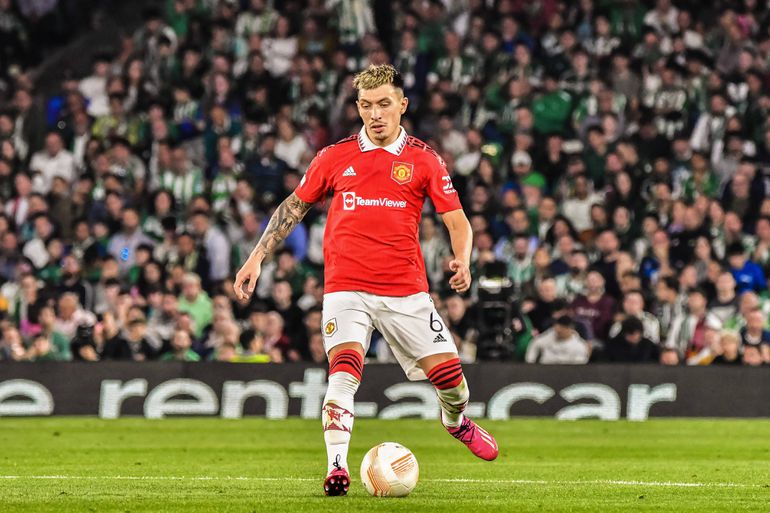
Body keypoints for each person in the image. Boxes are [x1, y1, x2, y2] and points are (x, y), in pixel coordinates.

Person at [233, 64, 498, 496]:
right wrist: (256, 257)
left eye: (384, 104)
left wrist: (463, 260)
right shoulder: (334, 157)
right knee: (344, 371)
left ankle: (455, 421)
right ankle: (337, 467)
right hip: (346, 287)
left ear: (402, 105)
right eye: (366, 105)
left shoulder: (424, 159)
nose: (375, 114)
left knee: (453, 382)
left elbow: (457, 220)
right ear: (358, 107)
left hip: (406, 290)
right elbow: (293, 207)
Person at [524, 314, 590, 364]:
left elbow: (580, 365)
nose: (557, 333)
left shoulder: (579, 346)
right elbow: (535, 343)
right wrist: (530, 362)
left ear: (570, 329)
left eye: (560, 331)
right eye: (556, 330)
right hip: (545, 369)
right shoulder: (550, 335)